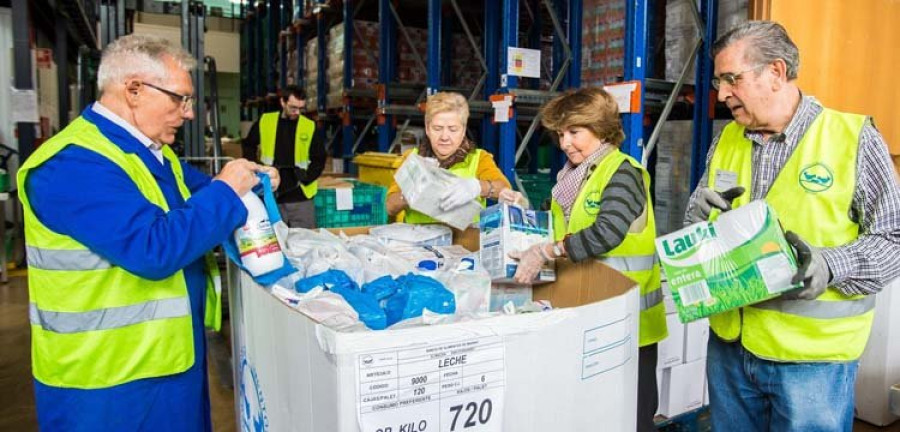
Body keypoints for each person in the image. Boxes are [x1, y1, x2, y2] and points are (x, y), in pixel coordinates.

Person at [18, 34, 279, 430]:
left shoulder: (152, 154)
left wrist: (253, 180)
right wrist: (229, 189)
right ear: (134, 90)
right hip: (107, 381)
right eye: (180, 98)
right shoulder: (72, 165)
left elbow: (204, 192)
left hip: (167, 359)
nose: (188, 113)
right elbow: (153, 249)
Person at [685, 21, 900, 431]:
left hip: (811, 362)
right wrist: (697, 216)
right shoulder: (727, 138)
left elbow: (894, 238)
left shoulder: (851, 137)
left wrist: (831, 264)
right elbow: (706, 232)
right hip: (731, 348)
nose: (722, 93)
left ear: (777, 73)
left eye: (732, 79)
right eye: (719, 81)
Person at [509, 87, 667, 432]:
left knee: (631, 420)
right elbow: (565, 233)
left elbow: (607, 231)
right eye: (560, 134)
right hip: (588, 316)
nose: (565, 143)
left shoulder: (623, 172)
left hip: (629, 323)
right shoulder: (572, 178)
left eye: (574, 132)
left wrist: (547, 251)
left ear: (602, 128)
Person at [386, 92, 525, 222]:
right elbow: (390, 207)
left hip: (466, 243)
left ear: (463, 130)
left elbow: (503, 186)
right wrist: (410, 192)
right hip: (418, 242)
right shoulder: (412, 158)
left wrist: (477, 187)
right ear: (427, 129)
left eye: (453, 129)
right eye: (437, 128)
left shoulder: (479, 158)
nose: (444, 137)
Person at [242, 85, 326, 228]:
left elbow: (319, 158)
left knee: (304, 241)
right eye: (293, 107)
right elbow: (249, 145)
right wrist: (258, 169)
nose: (297, 112)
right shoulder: (265, 121)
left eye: (301, 108)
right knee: (274, 243)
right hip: (270, 194)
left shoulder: (309, 126)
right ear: (283, 102)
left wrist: (307, 177)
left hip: (300, 196)